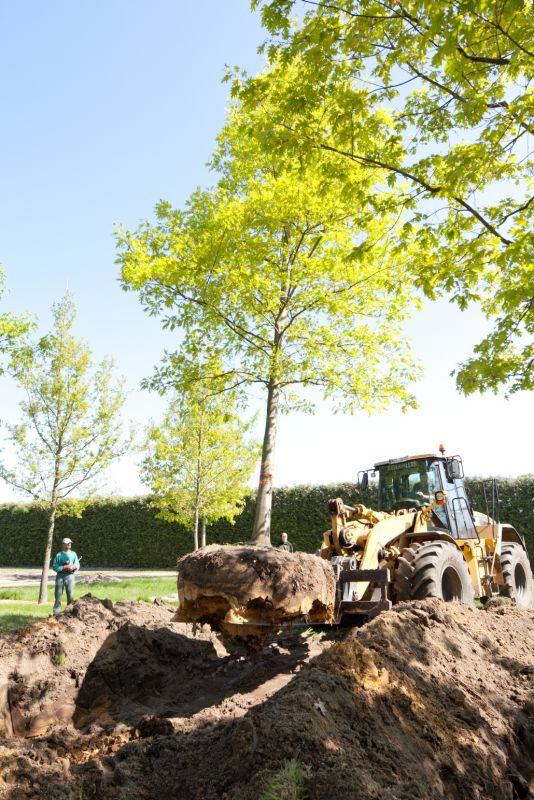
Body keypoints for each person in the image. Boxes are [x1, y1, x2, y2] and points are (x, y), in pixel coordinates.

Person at [52, 537, 80, 616]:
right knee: (58, 595)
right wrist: (64, 567)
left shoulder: (74, 554)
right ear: (63, 545)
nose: (69, 544)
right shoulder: (59, 555)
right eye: (67, 543)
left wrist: (74, 567)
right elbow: (54, 567)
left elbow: (77, 564)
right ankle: (56, 612)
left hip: (70, 576)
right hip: (60, 576)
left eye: (70, 543)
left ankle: (69, 611)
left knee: (70, 595)